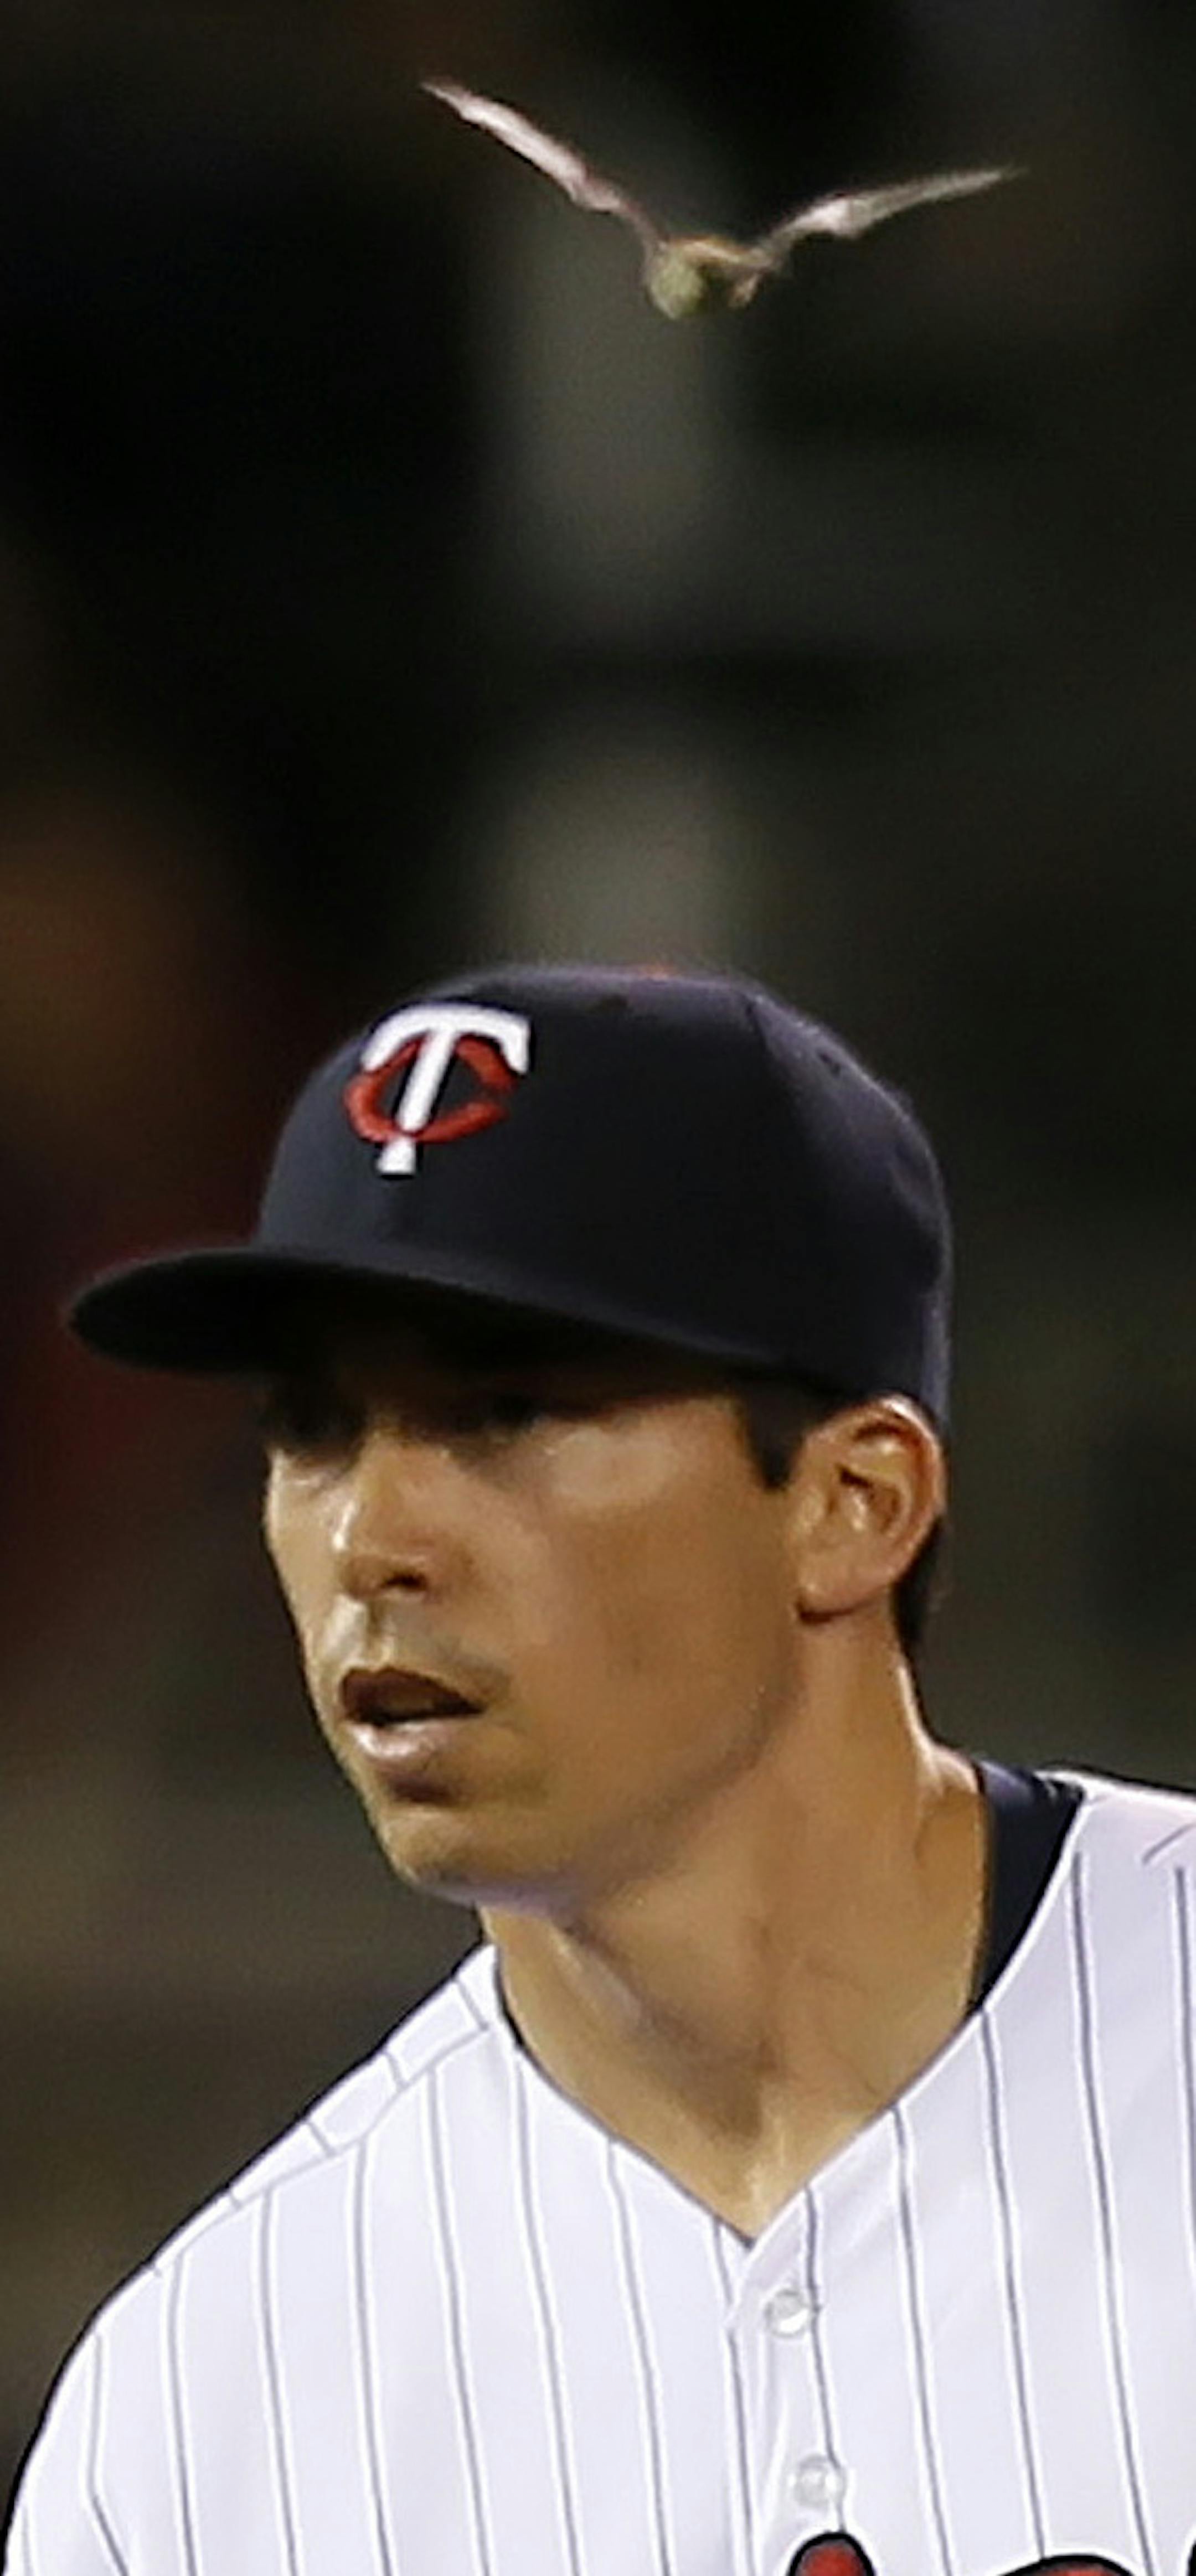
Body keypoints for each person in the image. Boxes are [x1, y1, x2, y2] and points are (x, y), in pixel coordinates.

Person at [6, 959, 1194, 2576]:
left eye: (504, 1412)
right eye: (311, 1428)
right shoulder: (205, 2409)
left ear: (855, 1501)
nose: (371, 1539)